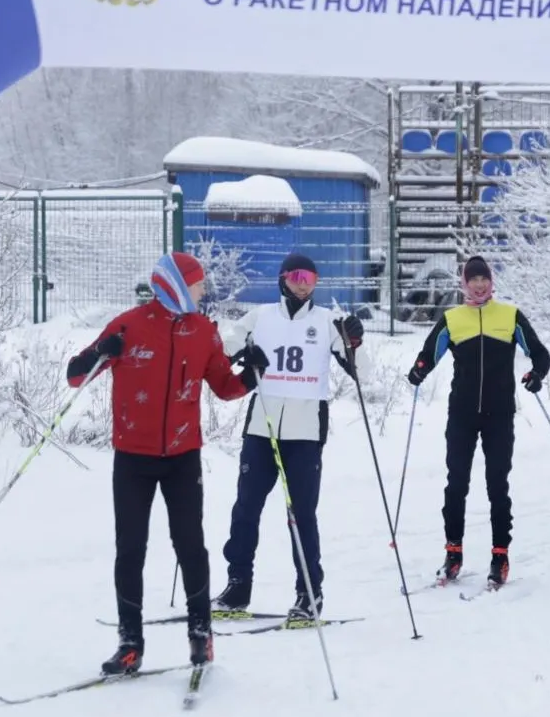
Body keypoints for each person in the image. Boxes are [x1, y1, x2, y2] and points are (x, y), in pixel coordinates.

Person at [65, 251, 257, 676]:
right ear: (175, 285)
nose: (204, 290)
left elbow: (224, 386)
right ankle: (130, 643)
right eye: (197, 283)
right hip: (132, 457)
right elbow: (76, 375)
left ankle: (201, 634)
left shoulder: (203, 330)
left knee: (190, 546)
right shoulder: (129, 325)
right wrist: (102, 350)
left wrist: (251, 376)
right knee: (130, 550)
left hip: (182, 457)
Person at [215, 253, 363, 624]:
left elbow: (363, 372)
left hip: (305, 433)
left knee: (301, 515)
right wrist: (241, 353)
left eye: (310, 278)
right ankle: (237, 586)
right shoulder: (260, 316)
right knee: (245, 509)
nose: (303, 284)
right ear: (283, 278)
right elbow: (223, 348)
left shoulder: (328, 321)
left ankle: (309, 593)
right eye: (297, 276)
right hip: (261, 429)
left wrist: (355, 340)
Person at [405, 255, 550, 588]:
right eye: (474, 279)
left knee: (497, 486)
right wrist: (419, 371)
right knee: (457, 484)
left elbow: (540, 354)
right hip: (462, 415)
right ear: (465, 283)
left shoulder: (510, 316)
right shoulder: (453, 319)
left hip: (499, 415)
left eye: (484, 278)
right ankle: (453, 553)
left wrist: (536, 374)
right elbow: (429, 354)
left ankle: (500, 556)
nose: (480, 284)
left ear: (491, 281)